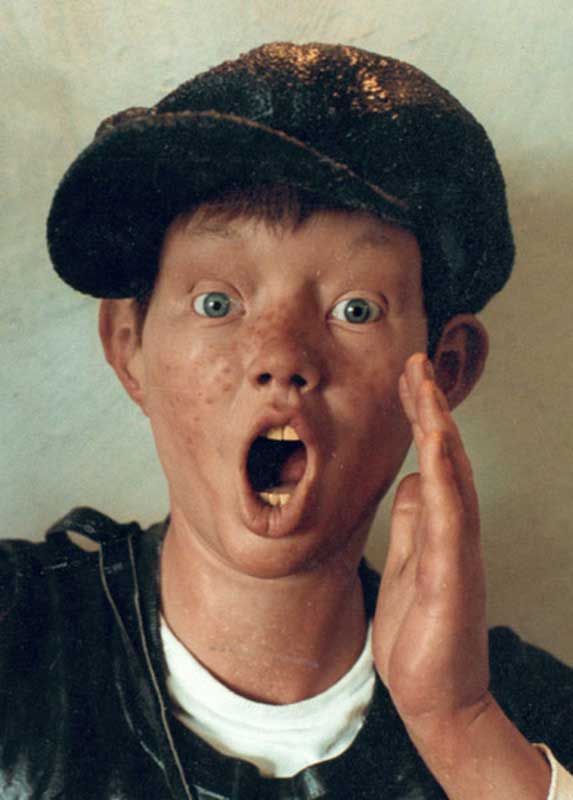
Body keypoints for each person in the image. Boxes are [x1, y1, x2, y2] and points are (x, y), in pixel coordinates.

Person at [1, 42, 572, 799]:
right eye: (217, 303)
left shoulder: (532, 723)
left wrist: (457, 727)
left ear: (444, 369)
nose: (280, 357)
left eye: (356, 310)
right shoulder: (15, 632)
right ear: (130, 345)